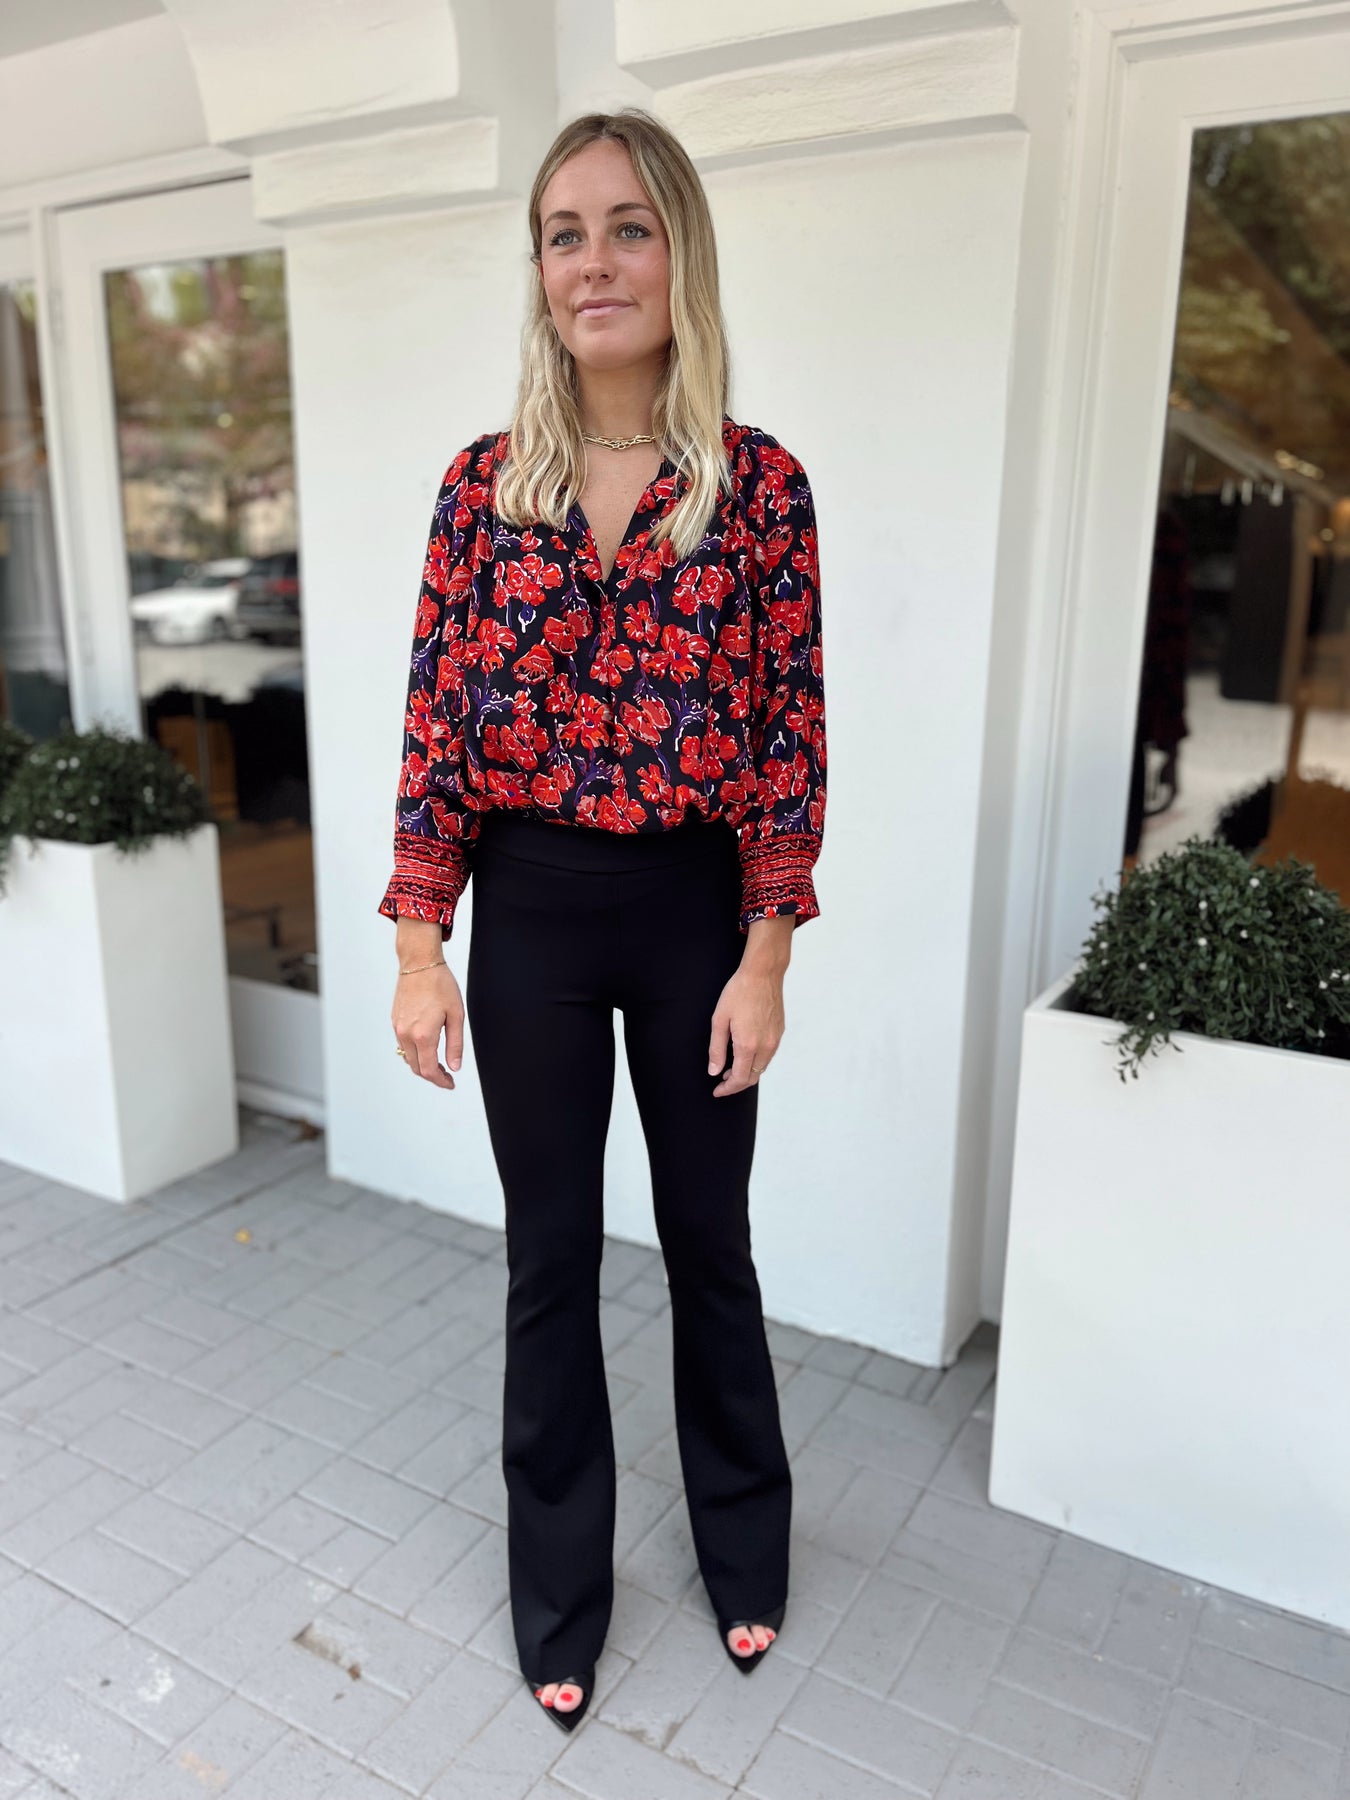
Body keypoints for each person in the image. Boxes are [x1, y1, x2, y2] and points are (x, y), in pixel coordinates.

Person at [379, 106, 827, 1734]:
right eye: (563, 233)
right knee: (549, 1258)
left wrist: (766, 953)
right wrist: (421, 947)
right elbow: (435, 727)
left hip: (697, 911)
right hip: (534, 922)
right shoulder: (479, 489)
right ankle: (559, 1589)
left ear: (678, 252)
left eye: (628, 226)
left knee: (711, 1245)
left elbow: (788, 734)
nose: (594, 262)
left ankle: (745, 1549)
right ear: (539, 270)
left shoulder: (758, 488)